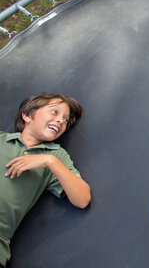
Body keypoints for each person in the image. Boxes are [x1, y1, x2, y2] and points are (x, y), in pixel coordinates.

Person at [0, 93, 91, 267]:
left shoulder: (55, 156)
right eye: (54, 112)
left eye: (65, 120)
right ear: (27, 115)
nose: (60, 121)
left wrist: (50, 162)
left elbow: (82, 199)